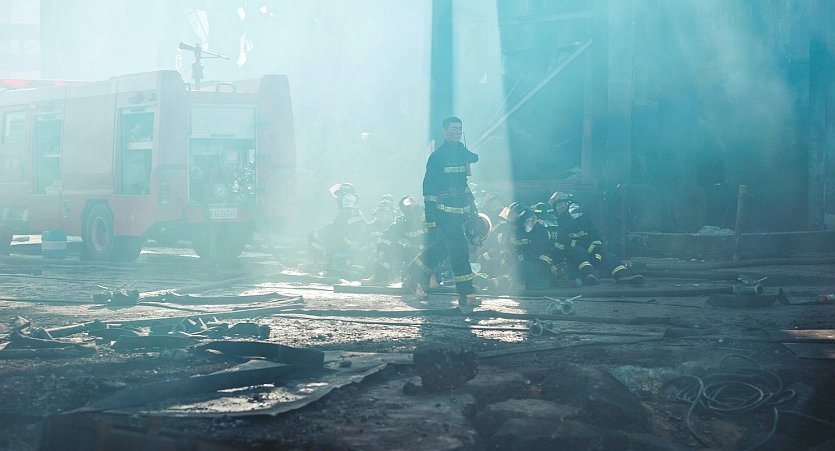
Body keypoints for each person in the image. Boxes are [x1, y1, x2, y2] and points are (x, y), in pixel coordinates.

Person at [403, 116, 481, 312]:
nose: (457, 132)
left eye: (459, 129)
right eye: (453, 129)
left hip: (460, 212)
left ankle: (412, 276)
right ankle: (466, 294)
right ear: (445, 131)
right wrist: (431, 218)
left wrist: (471, 207)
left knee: (443, 249)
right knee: (460, 251)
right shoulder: (437, 157)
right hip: (445, 213)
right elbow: (428, 189)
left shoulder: (460, 152)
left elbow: (465, 179)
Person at [548, 191, 644, 285]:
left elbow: (595, 236)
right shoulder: (557, 224)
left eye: (560, 204)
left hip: (591, 252)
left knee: (608, 256)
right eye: (556, 206)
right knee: (578, 252)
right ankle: (589, 275)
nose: (558, 208)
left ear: (568, 203)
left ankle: (622, 275)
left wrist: (596, 250)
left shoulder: (584, 220)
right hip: (573, 258)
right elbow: (560, 247)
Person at [308, 183, 369, 278]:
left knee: (315, 236)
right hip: (354, 244)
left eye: (339, 196)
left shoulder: (347, 210)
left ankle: (315, 265)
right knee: (332, 237)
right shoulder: (354, 210)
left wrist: (316, 234)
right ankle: (324, 265)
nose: (338, 199)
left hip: (349, 244)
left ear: (345, 196)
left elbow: (333, 227)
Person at [364, 195, 427, 286]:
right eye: (404, 210)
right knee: (389, 249)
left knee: (423, 277)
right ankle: (380, 277)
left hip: (426, 253)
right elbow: (387, 234)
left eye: (409, 208)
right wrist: (382, 249)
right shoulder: (402, 221)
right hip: (411, 251)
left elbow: (436, 238)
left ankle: (428, 279)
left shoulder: (428, 218)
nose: (406, 212)